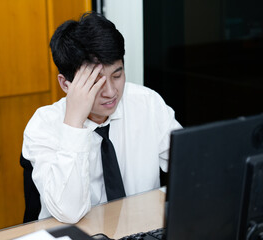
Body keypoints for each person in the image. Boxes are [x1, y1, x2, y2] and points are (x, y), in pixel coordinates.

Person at [21, 11, 181, 224]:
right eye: (95, 82)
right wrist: (74, 123)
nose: (111, 92)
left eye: (117, 75)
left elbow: (192, 165)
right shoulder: (43, 126)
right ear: (65, 84)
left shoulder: (146, 103)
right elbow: (69, 212)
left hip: (139, 230)